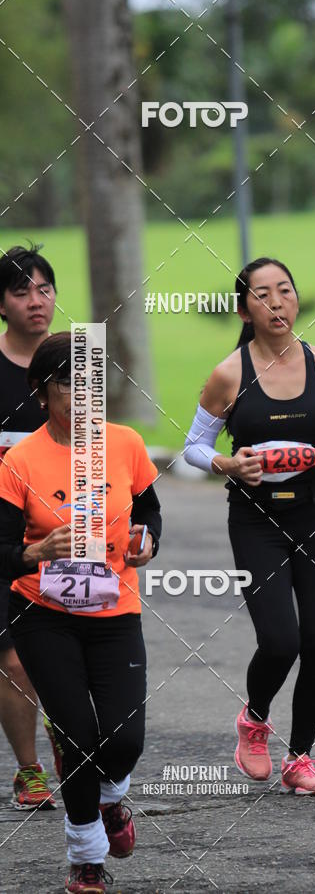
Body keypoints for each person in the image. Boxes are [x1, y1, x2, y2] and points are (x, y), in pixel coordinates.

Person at [184, 257, 315, 796]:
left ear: (296, 298)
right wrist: (227, 464)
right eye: (262, 295)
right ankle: (255, 719)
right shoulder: (229, 374)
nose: (276, 302)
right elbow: (194, 447)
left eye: (284, 290)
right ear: (245, 310)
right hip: (256, 518)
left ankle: (300, 759)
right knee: (280, 640)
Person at [0, 332, 162, 894]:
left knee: (125, 739)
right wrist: (35, 552)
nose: (84, 395)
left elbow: (149, 511)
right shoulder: (20, 460)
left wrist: (148, 541)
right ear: (42, 392)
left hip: (115, 611)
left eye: (92, 383)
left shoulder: (126, 443)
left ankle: (111, 797)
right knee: (77, 735)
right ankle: (86, 859)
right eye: (70, 383)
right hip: (43, 613)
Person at [0, 244, 58, 810]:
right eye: (22, 292)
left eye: (44, 289)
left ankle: (69, 740)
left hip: (64, 532)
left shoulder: (76, 362)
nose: (36, 301)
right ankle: (29, 770)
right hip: (4, 539)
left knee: (65, 654)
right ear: (2, 305)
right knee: (14, 658)